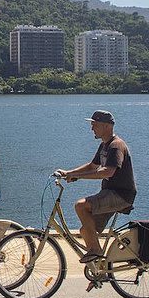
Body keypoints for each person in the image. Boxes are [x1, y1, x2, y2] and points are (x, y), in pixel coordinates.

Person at [56, 110, 136, 263]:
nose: (92, 128)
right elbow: (93, 166)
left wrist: (77, 177)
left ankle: (96, 251)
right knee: (86, 231)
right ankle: (100, 269)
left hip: (120, 195)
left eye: (95, 124)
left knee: (81, 206)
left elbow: (108, 172)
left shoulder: (116, 146)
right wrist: (68, 173)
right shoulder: (104, 146)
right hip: (110, 193)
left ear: (106, 126)